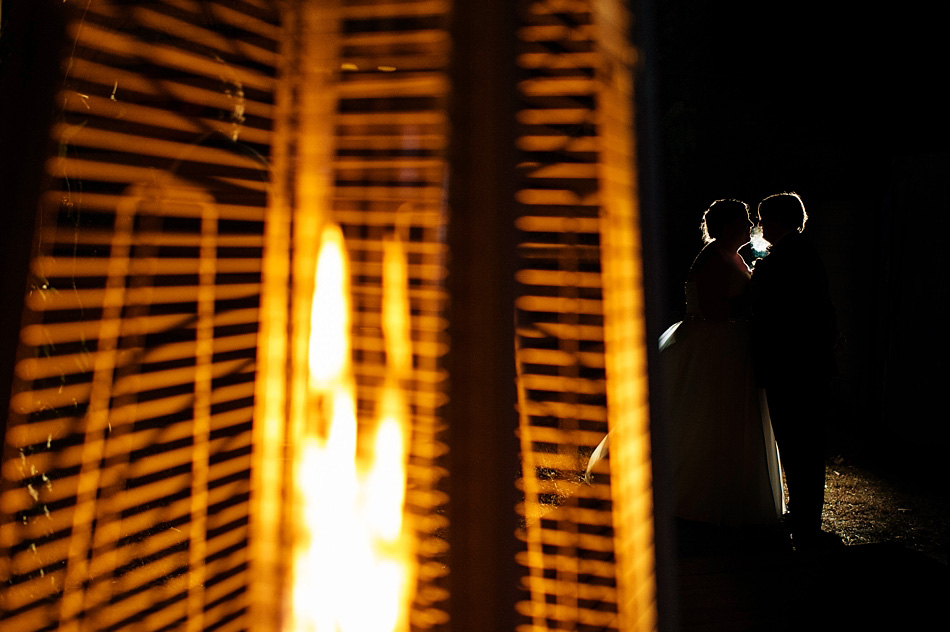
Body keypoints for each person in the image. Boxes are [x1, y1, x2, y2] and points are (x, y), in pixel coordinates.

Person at [587, 199, 785, 529]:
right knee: (699, 419)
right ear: (726, 226)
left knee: (725, 422)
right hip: (710, 348)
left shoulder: (733, 256)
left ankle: (728, 490)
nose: (750, 223)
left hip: (730, 348)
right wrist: (754, 294)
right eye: (744, 219)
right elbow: (712, 310)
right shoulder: (710, 258)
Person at [750, 192, 837, 548]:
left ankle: (806, 524)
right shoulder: (799, 251)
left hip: (794, 366)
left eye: (763, 218)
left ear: (775, 220)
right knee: (799, 444)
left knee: (801, 444)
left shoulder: (790, 255)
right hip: (801, 364)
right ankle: (803, 515)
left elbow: (783, 309)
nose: (759, 225)